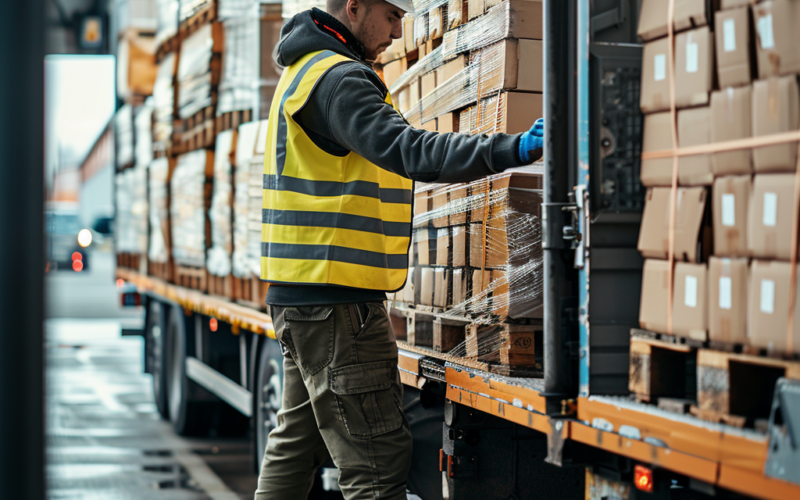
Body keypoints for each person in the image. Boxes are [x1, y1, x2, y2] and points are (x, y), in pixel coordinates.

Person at [254, 0, 543, 497]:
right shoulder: (338, 80)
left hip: (302, 297)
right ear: (354, 7)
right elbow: (410, 150)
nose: (396, 30)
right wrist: (509, 149)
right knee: (375, 465)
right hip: (337, 304)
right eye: (390, 16)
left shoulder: (303, 71)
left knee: (295, 443)